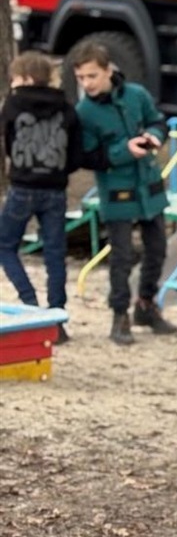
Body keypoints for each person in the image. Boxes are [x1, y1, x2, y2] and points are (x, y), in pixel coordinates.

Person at [72, 41, 177, 346]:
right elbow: (87, 156)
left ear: (108, 70)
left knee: (157, 248)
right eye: (81, 78)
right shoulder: (84, 112)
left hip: (149, 185)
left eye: (92, 76)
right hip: (116, 190)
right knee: (122, 256)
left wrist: (153, 136)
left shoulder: (136, 94)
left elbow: (158, 121)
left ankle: (146, 304)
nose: (87, 84)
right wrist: (124, 150)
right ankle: (120, 314)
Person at [0, 51, 92, 343]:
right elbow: (75, 155)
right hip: (55, 189)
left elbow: (8, 143)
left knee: (5, 246)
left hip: (22, 186)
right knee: (55, 254)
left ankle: (29, 303)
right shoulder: (67, 107)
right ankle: (57, 319)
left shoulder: (12, 104)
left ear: (27, 78)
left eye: (15, 78)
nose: (13, 84)